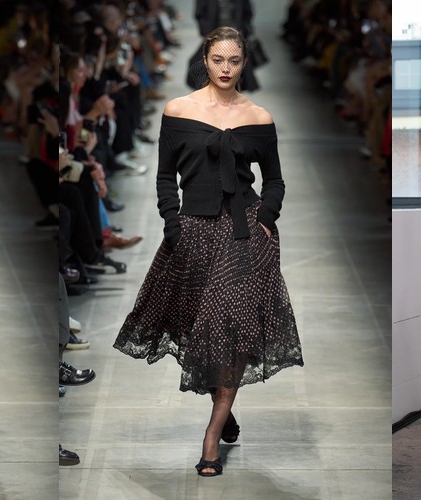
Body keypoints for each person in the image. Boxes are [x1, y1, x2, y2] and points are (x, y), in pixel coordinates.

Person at [114, 27, 302, 477]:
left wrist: (266, 218)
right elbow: (165, 176)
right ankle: (226, 405)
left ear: (244, 63)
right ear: (205, 60)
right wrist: (171, 224)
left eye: (234, 61)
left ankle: (211, 438)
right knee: (200, 330)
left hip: (244, 232)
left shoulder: (259, 117)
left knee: (230, 324)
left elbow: (274, 179)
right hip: (194, 232)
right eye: (218, 60)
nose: (225, 68)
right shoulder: (178, 110)